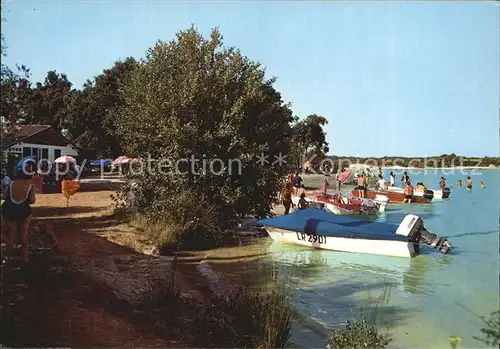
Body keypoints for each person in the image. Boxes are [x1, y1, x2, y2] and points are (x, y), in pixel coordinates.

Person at [1, 168, 36, 262]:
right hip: (24, 211)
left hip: (11, 210)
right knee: (24, 233)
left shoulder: (10, 184)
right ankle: (25, 257)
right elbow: (32, 200)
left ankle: (8, 255)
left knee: (12, 232)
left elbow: (4, 197)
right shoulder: (30, 186)